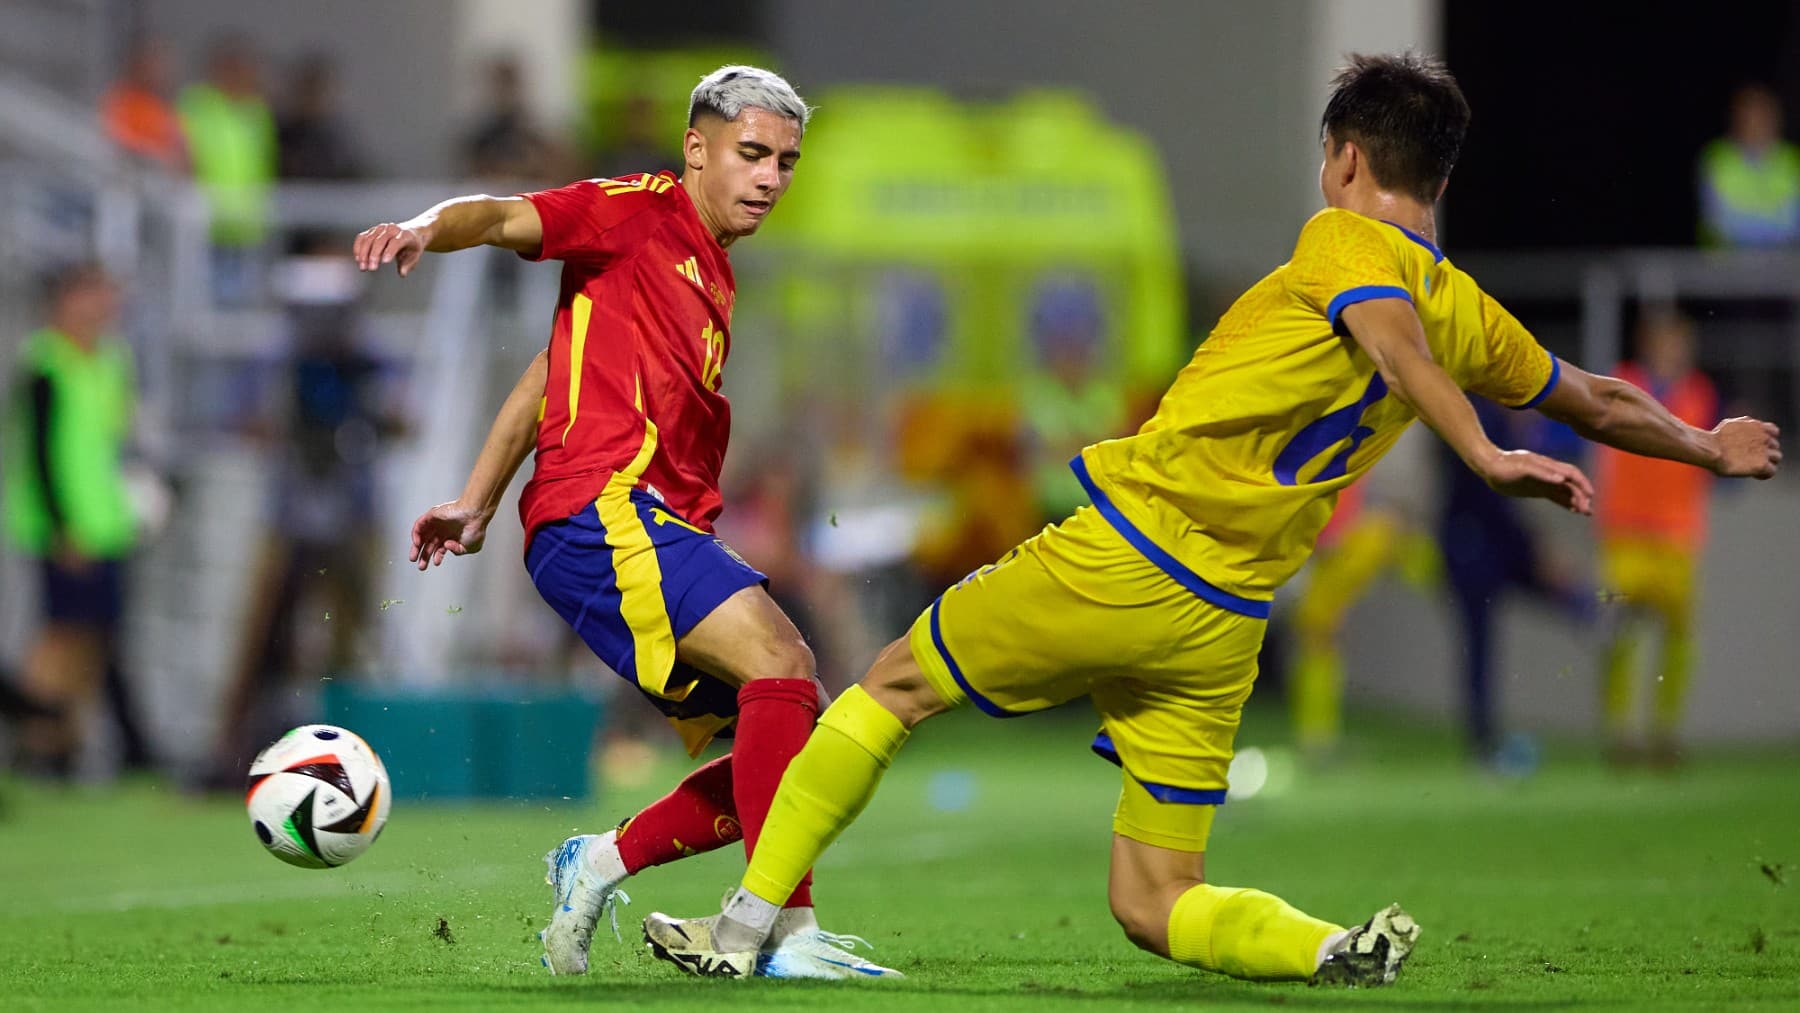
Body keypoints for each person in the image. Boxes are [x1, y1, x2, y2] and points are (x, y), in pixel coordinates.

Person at [639, 52, 1783, 987]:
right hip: (1225, 623)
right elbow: (1590, 394)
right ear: (1440, 173)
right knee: (1153, 900)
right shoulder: (1467, 308)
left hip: (1126, 554)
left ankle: (740, 931)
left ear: (1345, 157)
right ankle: (1328, 946)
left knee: (888, 686)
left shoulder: (1346, 241)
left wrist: (1480, 449)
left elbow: (1387, 336)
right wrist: (1700, 441)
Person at [357, 66, 898, 981]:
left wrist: (476, 500)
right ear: (697, 148)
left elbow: (545, 371)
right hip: (599, 510)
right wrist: (422, 227)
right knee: (786, 665)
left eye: (787, 162)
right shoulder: (636, 211)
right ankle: (781, 935)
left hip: (642, 522)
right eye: (752, 153)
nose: (770, 177)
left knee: (789, 733)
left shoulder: (710, 270)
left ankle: (602, 860)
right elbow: (494, 215)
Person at [2, 264, 153, 778]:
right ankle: (36, 739)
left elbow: (115, 442)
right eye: (89, 295)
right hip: (64, 527)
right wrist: (62, 525)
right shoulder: (44, 363)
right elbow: (41, 453)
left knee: (95, 637)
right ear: (63, 300)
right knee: (62, 636)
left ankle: (62, 744)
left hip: (106, 522)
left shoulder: (113, 360)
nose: (100, 306)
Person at [1436, 397, 1596, 768]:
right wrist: (1538, 551)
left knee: (1480, 646)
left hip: (1481, 544)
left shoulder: (1494, 419)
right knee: (1479, 645)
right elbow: (1494, 498)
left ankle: (1590, 608)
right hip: (1473, 547)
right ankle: (1483, 745)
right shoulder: (1484, 420)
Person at [1593, 309, 1720, 766]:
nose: (1675, 352)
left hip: (1677, 536)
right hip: (1623, 532)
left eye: (1680, 344)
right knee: (1618, 635)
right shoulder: (1621, 382)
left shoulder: (1699, 392)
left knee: (1680, 637)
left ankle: (1665, 732)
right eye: (1667, 343)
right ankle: (1620, 733)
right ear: (1648, 344)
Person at [1698, 84, 1800, 248]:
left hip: (1782, 263)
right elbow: (1717, 223)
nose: (1757, 124)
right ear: (1736, 120)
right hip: (1728, 264)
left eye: (1763, 116)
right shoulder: (1718, 159)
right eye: (1749, 116)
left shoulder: (1793, 161)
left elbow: (1793, 225)